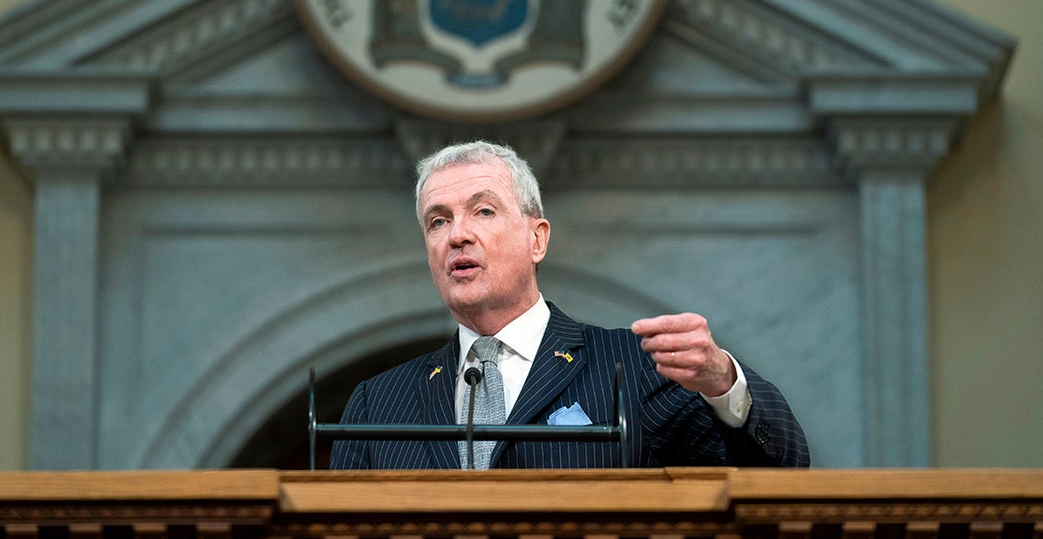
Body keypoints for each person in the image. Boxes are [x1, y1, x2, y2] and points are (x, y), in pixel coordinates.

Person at [330, 140, 809, 469]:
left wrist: (722, 382)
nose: (457, 235)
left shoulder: (634, 370)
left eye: (483, 211)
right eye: (438, 222)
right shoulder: (378, 403)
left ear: (536, 239)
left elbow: (778, 467)